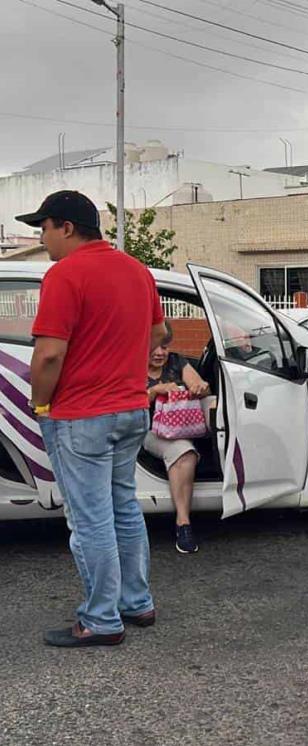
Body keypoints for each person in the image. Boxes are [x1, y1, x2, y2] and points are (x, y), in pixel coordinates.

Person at [20, 190, 166, 648]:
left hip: (81, 415)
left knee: (90, 520)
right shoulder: (137, 271)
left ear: (66, 227)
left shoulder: (64, 275)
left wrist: (39, 404)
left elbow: (48, 355)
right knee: (124, 506)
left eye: (43, 228)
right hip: (130, 410)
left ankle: (102, 620)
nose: (42, 238)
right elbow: (159, 332)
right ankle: (136, 602)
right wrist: (128, 370)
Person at [146, 321, 210, 554]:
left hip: (180, 427)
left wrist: (200, 387)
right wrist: (155, 391)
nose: (161, 352)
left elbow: (200, 386)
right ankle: (184, 524)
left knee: (184, 450)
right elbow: (127, 404)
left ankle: (183, 523)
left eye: (164, 346)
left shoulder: (177, 361)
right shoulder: (130, 366)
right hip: (148, 430)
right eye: (154, 346)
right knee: (183, 452)